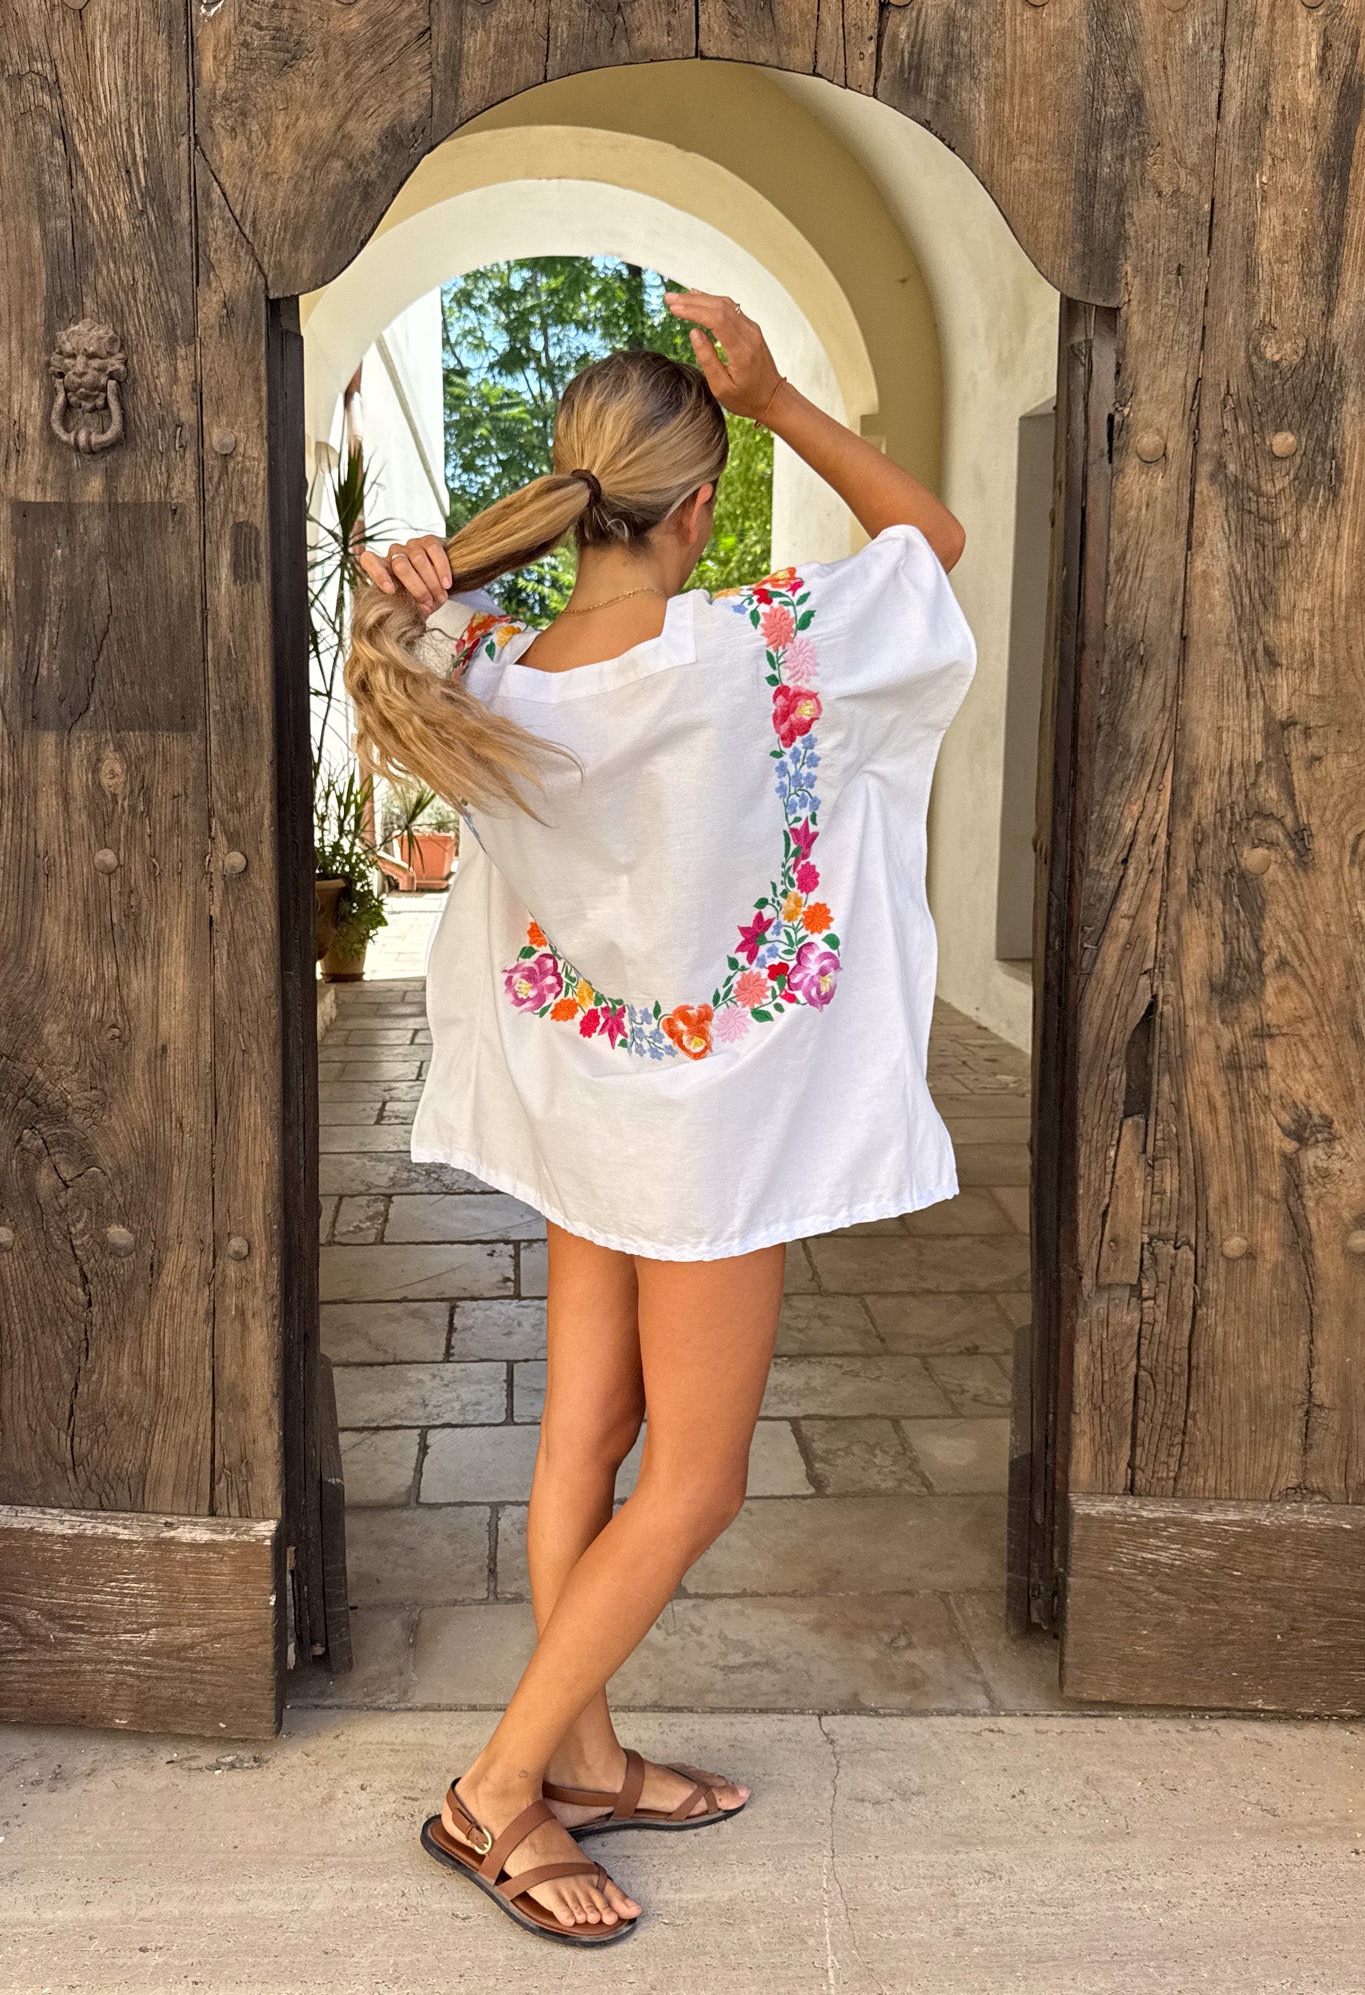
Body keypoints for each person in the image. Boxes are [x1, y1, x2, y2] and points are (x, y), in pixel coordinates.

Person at [348, 291, 974, 1946]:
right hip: (709, 1139)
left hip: (583, 1113)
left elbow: (405, 619)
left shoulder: (486, 669)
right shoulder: (766, 648)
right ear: (698, 504)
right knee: (693, 1482)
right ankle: (498, 1790)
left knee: (584, 1438)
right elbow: (929, 541)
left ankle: (590, 1760)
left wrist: (424, 579)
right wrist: (775, 401)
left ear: (575, 500)